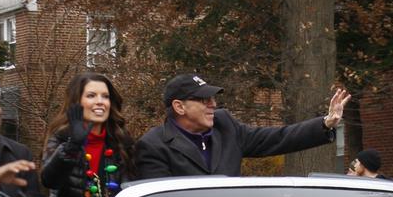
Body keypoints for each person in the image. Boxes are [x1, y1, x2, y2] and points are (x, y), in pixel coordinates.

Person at [134, 73, 349, 179]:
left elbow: (278, 138)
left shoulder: (225, 126)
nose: (213, 105)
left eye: (213, 99)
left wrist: (325, 123)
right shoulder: (154, 146)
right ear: (179, 107)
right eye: (203, 100)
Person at [41, 73, 136, 197]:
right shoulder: (62, 138)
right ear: (77, 102)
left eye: (105, 96)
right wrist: (72, 146)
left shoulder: (121, 142)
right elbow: (49, 180)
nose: (100, 102)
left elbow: (131, 189)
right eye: (91, 96)